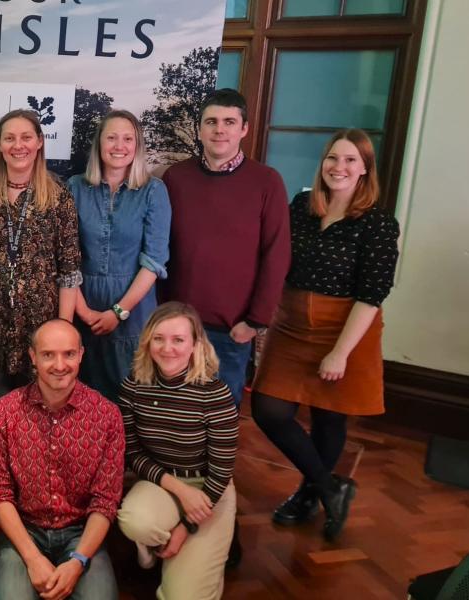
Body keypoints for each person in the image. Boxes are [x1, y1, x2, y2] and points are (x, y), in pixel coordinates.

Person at [252, 129, 400, 541]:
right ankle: (330, 485)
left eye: (351, 160)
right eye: (333, 158)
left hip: (346, 328)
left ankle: (308, 493)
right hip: (292, 323)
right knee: (269, 410)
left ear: (365, 169)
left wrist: (339, 353)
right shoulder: (302, 206)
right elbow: (273, 257)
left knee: (328, 414)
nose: (339, 167)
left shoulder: (379, 223)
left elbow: (372, 296)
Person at [162, 87, 289, 564]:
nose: (219, 130)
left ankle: (218, 527)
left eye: (228, 123)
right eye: (211, 122)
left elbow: (276, 256)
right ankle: (172, 514)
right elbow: (162, 247)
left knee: (215, 434)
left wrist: (254, 322)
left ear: (244, 129)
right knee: (171, 429)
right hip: (173, 332)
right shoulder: (176, 178)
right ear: (200, 128)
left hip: (228, 335)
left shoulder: (266, 181)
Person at [0, 109, 82, 460]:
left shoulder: (58, 196)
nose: (19, 145)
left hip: (40, 327)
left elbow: (70, 269)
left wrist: (63, 330)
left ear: (40, 142)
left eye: (26, 137)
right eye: (10, 138)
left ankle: (33, 482)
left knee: (39, 413)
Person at [0, 319, 124, 600]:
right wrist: (32, 559)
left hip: (80, 533)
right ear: (33, 357)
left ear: (81, 354)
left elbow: (105, 500)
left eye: (69, 354)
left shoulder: (107, 416)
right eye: (48, 355)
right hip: (25, 531)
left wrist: (78, 561)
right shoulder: (5, 412)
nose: (60, 365)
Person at [117, 302, 239, 600]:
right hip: (162, 483)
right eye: (159, 338)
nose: (167, 348)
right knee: (135, 520)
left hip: (211, 490)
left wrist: (187, 527)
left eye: (178, 340)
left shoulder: (215, 393)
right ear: (148, 341)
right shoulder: (134, 385)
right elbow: (132, 452)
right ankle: (158, 543)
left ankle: (201, 550)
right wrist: (179, 491)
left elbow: (222, 470)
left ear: (196, 344)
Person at [68, 109, 170, 403]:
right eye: (111, 137)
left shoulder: (153, 191)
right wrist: (84, 312)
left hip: (133, 313)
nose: (119, 146)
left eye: (127, 139)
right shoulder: (75, 188)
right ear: (99, 144)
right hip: (80, 305)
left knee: (127, 400)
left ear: (137, 146)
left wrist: (118, 312)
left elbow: (154, 261)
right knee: (79, 399)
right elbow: (64, 255)